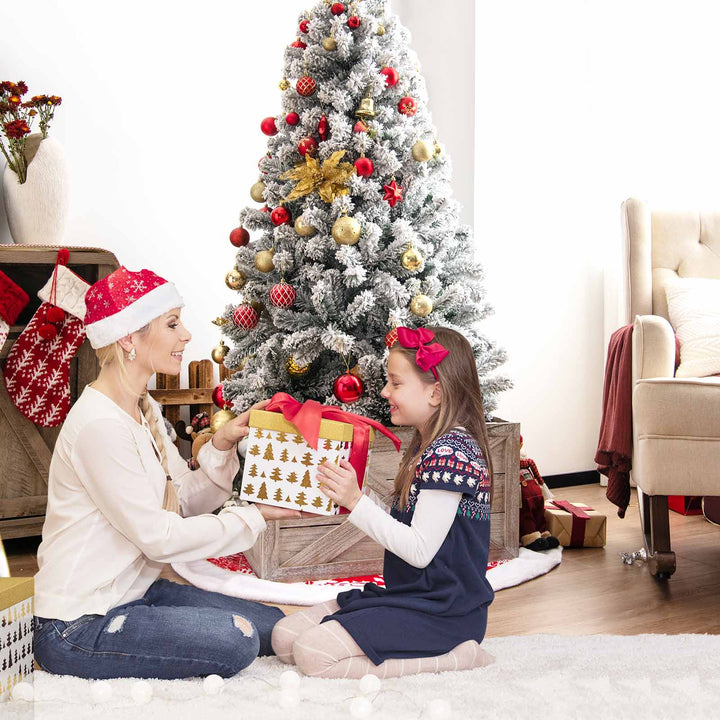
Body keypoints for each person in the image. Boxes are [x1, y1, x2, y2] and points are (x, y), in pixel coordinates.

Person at [33, 266, 298, 680]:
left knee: (276, 625)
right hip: (78, 624)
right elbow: (160, 539)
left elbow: (184, 502)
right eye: (172, 324)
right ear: (128, 338)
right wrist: (253, 517)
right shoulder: (99, 426)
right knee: (238, 640)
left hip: (133, 595)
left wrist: (223, 443)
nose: (187, 336)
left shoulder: (143, 410)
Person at [271, 326, 496, 678]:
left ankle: (456, 658)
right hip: (408, 596)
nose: (384, 391)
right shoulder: (429, 445)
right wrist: (354, 495)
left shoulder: (452, 452)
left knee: (312, 653)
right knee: (284, 639)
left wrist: (357, 501)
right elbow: (407, 522)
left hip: (443, 612)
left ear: (436, 393)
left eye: (395, 383)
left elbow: (420, 550)